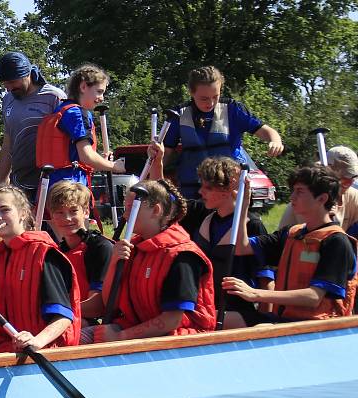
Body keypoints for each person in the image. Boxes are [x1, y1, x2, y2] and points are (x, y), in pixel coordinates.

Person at [151, 142, 275, 325]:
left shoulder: (252, 225)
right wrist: (158, 162)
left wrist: (264, 327)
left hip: (236, 313)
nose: (201, 192)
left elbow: (267, 283)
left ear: (229, 190)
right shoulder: (201, 213)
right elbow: (162, 197)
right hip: (204, 309)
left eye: (208, 188)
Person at [223, 166, 357, 324]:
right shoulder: (292, 234)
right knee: (221, 319)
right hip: (284, 320)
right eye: (293, 190)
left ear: (322, 199)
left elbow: (314, 297)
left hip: (317, 327)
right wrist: (244, 204)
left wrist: (255, 294)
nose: (292, 197)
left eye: (299, 191)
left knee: (258, 329)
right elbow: (241, 247)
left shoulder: (336, 242)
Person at [88, 180, 216, 343]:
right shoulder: (134, 249)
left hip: (181, 340)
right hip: (136, 330)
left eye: (131, 208)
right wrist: (114, 262)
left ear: (155, 210)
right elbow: (109, 304)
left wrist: (121, 337)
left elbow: (172, 320)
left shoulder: (183, 256)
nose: (125, 215)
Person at [0, 185, 81, 354]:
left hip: (47, 350)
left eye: (4, 210)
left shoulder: (44, 253)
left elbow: (63, 317)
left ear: (23, 213)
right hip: (9, 345)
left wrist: (36, 341)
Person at [163, 66, 284, 200]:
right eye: (204, 98)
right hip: (193, 191)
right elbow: (165, 153)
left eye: (215, 96)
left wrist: (275, 141)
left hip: (229, 189)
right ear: (191, 92)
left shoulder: (233, 110)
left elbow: (265, 130)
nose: (211, 103)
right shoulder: (178, 115)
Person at [38, 64, 125, 190]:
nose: (102, 98)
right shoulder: (78, 114)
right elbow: (87, 156)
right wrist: (113, 166)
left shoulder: (60, 110)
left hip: (50, 186)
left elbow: (79, 160)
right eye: (99, 92)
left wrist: (102, 162)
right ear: (83, 86)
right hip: (71, 187)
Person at [0, 51, 65, 200]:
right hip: (20, 182)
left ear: (27, 74)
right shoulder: (8, 100)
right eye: (5, 84)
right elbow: (8, 144)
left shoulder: (54, 97)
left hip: (51, 181)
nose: (9, 88)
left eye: (13, 82)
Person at [47, 181, 113, 328]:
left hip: (93, 325)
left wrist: (55, 311)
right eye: (60, 212)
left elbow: (98, 306)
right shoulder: (56, 252)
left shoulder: (101, 248)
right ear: (52, 215)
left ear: (86, 212)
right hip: (67, 318)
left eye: (73, 211)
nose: (67, 218)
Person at [278, 145, 358, 238]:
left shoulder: (353, 196)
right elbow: (317, 239)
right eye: (345, 181)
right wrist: (327, 217)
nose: (349, 184)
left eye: (352, 179)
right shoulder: (308, 201)